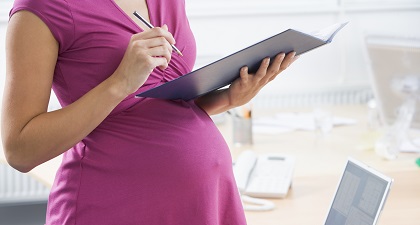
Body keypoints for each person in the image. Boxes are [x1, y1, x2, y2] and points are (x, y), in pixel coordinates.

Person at [2, 0, 297, 224]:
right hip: (114, 206)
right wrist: (120, 82)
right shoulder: (40, 9)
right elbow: (19, 150)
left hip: (203, 201)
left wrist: (228, 98)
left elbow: (158, 105)